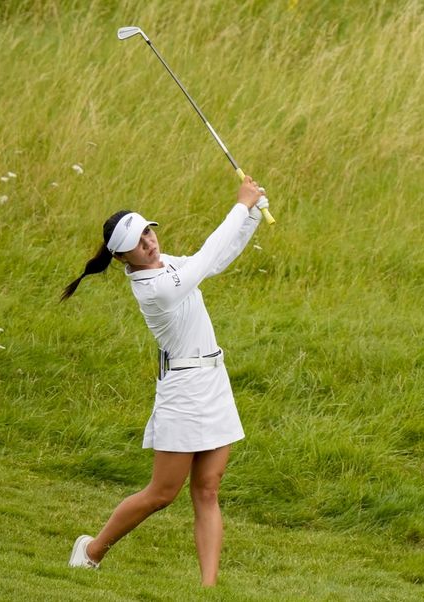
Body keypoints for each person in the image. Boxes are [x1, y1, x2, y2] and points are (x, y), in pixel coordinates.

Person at [61, 176, 267, 586]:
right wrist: (240, 207)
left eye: (148, 232)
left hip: (214, 382)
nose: (149, 242)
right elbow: (206, 258)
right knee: (162, 493)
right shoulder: (154, 289)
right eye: (139, 242)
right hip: (184, 392)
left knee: (208, 489)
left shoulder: (168, 264)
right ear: (123, 258)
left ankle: (208, 588)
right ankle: (91, 550)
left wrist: (252, 216)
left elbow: (216, 260)